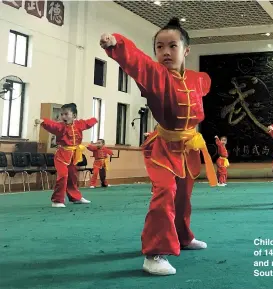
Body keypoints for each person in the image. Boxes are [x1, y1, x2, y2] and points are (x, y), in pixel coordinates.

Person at [100, 17, 217, 276]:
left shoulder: (199, 79)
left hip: (189, 148)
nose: (165, 52)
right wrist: (117, 43)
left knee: (183, 196)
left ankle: (183, 238)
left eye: (172, 46)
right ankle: (154, 253)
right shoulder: (155, 75)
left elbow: (204, 90)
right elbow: (137, 62)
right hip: (162, 147)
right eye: (159, 47)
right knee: (165, 192)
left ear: (186, 50)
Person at [35, 103, 97, 208]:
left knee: (72, 177)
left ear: (74, 115)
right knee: (63, 175)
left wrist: (95, 119)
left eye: (66, 114)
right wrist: (43, 121)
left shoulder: (79, 124)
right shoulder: (61, 126)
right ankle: (57, 200)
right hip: (61, 156)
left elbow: (87, 123)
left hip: (73, 156)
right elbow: (53, 125)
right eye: (62, 114)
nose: (63, 117)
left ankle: (75, 198)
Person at [142, 124, 158, 194]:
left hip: (162, 159)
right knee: (155, 176)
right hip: (153, 159)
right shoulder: (153, 137)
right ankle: (154, 189)